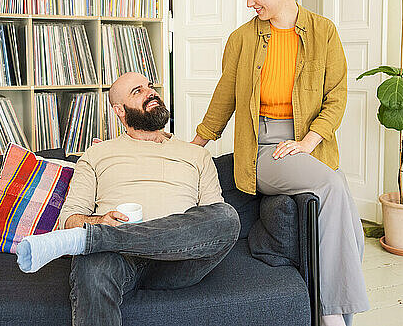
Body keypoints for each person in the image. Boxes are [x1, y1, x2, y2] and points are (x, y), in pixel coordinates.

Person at [191, 0, 369, 326]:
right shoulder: (242, 39)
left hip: (308, 145)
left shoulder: (324, 32)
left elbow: (336, 97)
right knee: (334, 187)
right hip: (265, 149)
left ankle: (335, 310)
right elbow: (225, 96)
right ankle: (332, 314)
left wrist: (309, 141)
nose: (249, 2)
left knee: (349, 218)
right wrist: (196, 144)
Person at [15, 72, 241, 326]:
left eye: (150, 87)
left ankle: (92, 239)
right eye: (138, 91)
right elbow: (69, 219)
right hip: (117, 258)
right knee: (93, 266)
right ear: (119, 110)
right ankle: (97, 240)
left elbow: (214, 223)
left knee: (227, 216)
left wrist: (100, 234)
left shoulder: (196, 155)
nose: (151, 92)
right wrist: (100, 220)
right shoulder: (96, 154)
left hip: (178, 260)